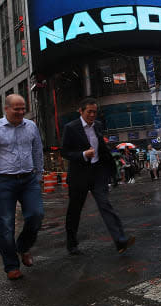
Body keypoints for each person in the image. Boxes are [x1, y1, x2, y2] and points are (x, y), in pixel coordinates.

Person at [0, 94, 44, 280]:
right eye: (17, 109)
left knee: (36, 215)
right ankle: (11, 266)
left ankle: (23, 247)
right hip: (3, 182)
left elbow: (37, 151)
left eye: (23, 108)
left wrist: (39, 175)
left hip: (29, 179)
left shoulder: (31, 126)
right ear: (6, 109)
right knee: (6, 225)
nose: (21, 112)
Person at [61, 98, 135, 256]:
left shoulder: (98, 126)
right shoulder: (71, 128)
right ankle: (71, 243)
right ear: (81, 111)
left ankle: (120, 240)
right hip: (79, 175)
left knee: (105, 204)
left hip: (97, 173)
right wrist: (82, 154)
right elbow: (65, 152)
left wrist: (112, 170)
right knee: (75, 210)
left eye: (95, 112)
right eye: (89, 112)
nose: (92, 115)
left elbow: (102, 148)